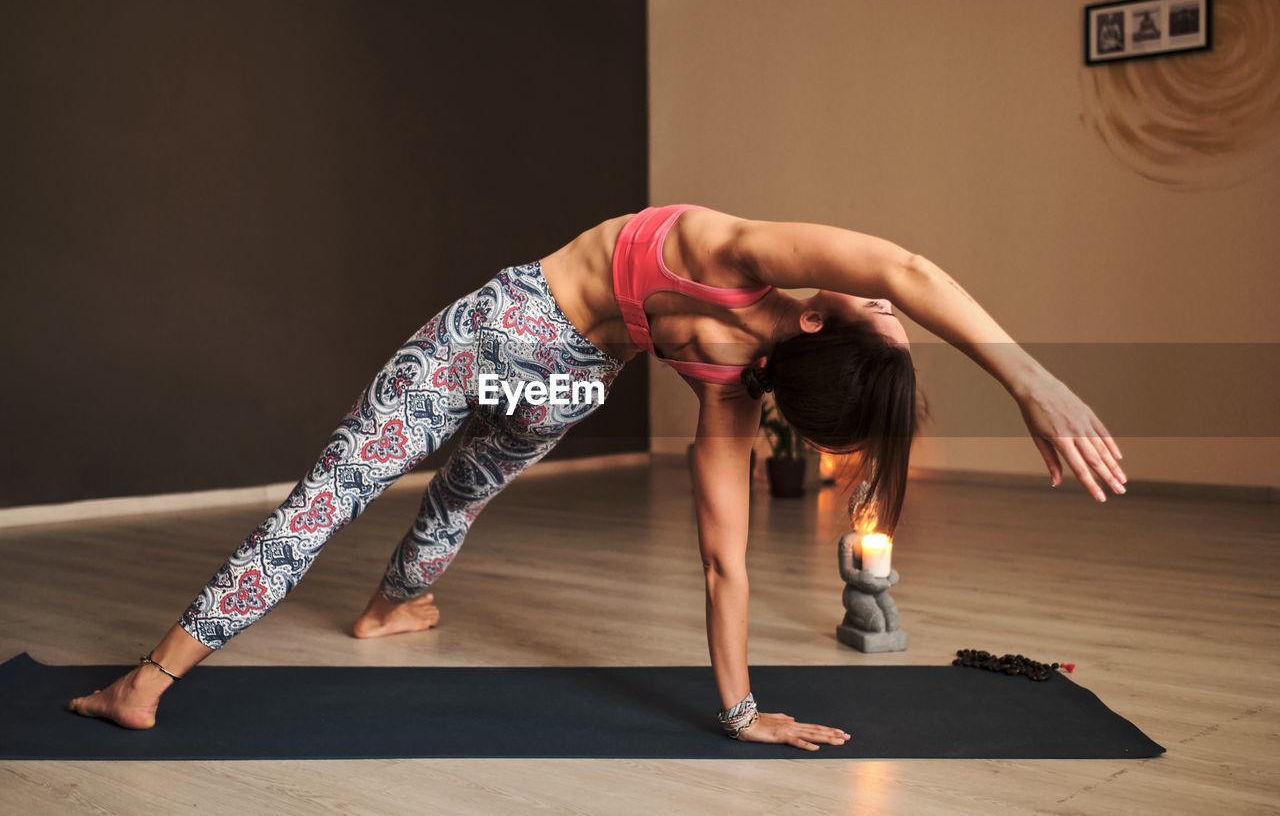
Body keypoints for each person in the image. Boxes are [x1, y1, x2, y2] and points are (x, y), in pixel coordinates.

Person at [69, 203, 1126, 750]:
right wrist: (738, 710)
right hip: (573, 384)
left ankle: (147, 682)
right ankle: (395, 606)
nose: (888, 306)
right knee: (464, 491)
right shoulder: (728, 384)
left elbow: (903, 270)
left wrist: (1030, 383)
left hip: (501, 328)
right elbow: (724, 568)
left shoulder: (728, 248)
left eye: (877, 323)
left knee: (327, 501)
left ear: (817, 316)